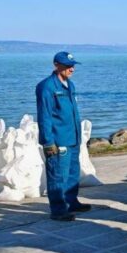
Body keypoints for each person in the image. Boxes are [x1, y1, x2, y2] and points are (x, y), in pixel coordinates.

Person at [36, 52, 91, 222]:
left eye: (72, 65)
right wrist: (48, 141)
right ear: (56, 65)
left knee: (73, 173)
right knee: (58, 175)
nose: (71, 69)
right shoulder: (46, 87)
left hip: (73, 137)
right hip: (58, 140)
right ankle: (58, 210)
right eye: (67, 66)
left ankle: (71, 202)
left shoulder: (70, 85)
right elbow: (44, 116)